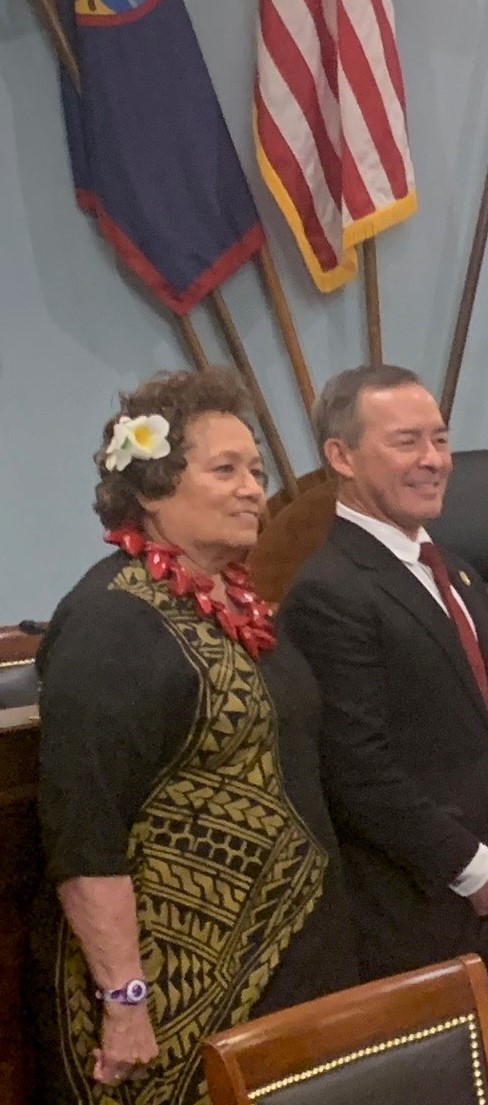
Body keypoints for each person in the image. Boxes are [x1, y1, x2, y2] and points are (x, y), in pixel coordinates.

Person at [33, 370, 355, 1104]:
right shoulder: (108, 621)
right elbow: (83, 830)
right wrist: (126, 999)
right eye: (226, 469)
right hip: (171, 1000)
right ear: (149, 489)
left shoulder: (239, 604)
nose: (253, 489)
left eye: (257, 470)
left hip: (287, 967)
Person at [278, 364, 488, 1101]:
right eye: (406, 442)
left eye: (441, 438)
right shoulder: (328, 590)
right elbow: (357, 770)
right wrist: (472, 867)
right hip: (410, 915)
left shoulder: (457, 572)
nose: (433, 459)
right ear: (341, 457)